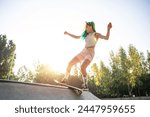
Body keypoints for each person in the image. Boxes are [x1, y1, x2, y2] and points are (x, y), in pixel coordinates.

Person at [62, 21, 112, 89]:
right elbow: (76, 37)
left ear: (91, 26)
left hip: (90, 53)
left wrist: (108, 29)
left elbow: (106, 38)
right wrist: (68, 33)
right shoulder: (86, 35)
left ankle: (85, 84)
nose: (86, 28)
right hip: (83, 51)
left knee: (83, 67)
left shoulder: (96, 34)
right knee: (70, 63)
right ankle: (65, 80)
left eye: (87, 26)